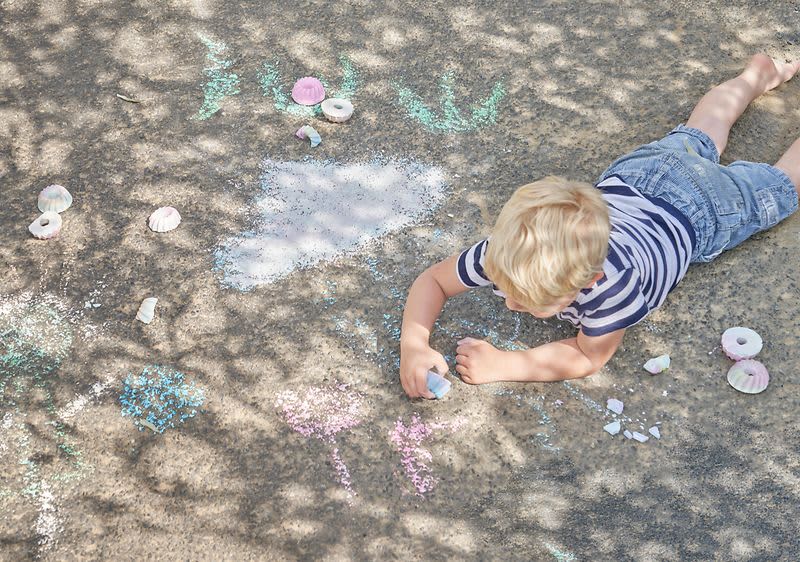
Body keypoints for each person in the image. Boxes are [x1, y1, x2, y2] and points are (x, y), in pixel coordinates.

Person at [399, 54, 800, 399]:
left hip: (705, 210)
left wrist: (507, 363)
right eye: (507, 289)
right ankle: (755, 76)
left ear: (589, 280)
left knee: (780, 186)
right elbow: (433, 281)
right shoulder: (506, 250)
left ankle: (755, 77)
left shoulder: (614, 289)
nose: (510, 303)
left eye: (529, 301)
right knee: (703, 132)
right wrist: (413, 347)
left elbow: (588, 355)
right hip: (641, 175)